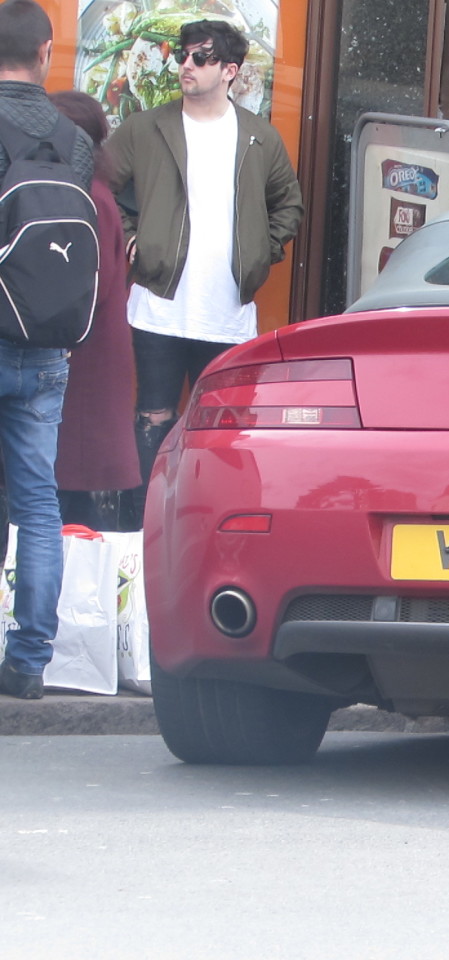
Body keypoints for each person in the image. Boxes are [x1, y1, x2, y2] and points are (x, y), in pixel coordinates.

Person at [107, 19, 303, 525]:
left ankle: (206, 524)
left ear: (230, 71)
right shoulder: (147, 127)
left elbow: (290, 205)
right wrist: (130, 236)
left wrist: (261, 252)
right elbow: (101, 186)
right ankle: (144, 527)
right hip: (158, 308)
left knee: (219, 427)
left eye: (200, 57)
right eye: (182, 56)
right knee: (153, 416)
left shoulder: (259, 137)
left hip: (227, 313)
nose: (186, 66)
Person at [0, 0, 96, 700]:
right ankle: (29, 662)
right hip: (48, 347)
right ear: (47, 50)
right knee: (38, 501)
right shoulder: (75, 138)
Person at [48, 90, 140, 532]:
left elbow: (94, 283)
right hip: (83, 352)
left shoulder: (93, 197)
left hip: (83, 357)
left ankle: (70, 596)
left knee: (72, 487)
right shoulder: (89, 191)